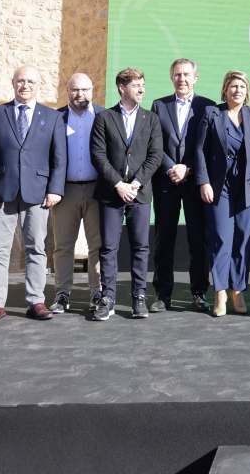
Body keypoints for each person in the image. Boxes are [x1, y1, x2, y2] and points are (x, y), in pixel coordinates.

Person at [0, 66, 66, 326]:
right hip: (1, 193)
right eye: (21, 81)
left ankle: (36, 300)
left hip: (38, 194)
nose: (25, 85)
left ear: (39, 85)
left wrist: (56, 189)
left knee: (37, 248)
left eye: (31, 82)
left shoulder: (53, 117)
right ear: (13, 84)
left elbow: (59, 158)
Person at [89, 67, 163, 321]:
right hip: (111, 194)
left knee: (140, 247)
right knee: (109, 247)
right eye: (136, 85)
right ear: (122, 88)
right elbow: (98, 155)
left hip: (140, 194)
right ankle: (107, 298)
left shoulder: (151, 119)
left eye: (143, 84)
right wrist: (118, 184)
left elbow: (155, 156)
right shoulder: (105, 118)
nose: (141, 89)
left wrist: (136, 183)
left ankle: (138, 297)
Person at [195, 70, 250, 318]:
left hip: (248, 187)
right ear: (225, 90)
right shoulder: (212, 113)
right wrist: (203, 181)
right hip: (219, 187)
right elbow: (199, 150)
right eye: (232, 86)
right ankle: (219, 291)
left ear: (247, 91)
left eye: (241, 86)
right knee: (221, 239)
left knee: (243, 241)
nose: (237, 90)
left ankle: (237, 289)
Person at [151, 59, 216, 313]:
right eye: (177, 75)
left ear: (196, 77)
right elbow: (155, 143)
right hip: (166, 181)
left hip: (195, 182)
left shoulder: (208, 107)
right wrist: (171, 167)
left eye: (187, 75)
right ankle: (162, 295)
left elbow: (209, 146)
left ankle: (199, 293)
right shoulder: (159, 105)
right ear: (171, 78)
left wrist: (187, 167)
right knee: (164, 238)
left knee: (198, 239)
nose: (182, 79)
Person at [50, 73, 104, 315]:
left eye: (85, 89)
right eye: (75, 90)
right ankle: (62, 294)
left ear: (93, 90)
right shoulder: (56, 118)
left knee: (98, 245)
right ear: (67, 91)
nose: (80, 94)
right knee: (63, 246)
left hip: (97, 190)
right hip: (65, 191)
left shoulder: (104, 116)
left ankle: (97, 292)